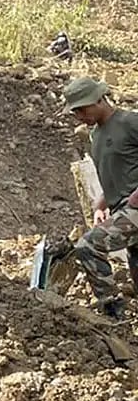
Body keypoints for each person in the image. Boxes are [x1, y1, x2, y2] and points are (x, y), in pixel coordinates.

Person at [63, 77, 138, 319]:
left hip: (134, 208)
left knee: (88, 245)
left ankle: (113, 312)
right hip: (122, 208)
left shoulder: (129, 122)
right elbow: (118, 172)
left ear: (98, 100)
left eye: (82, 109)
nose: (79, 117)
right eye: (75, 112)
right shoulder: (95, 136)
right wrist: (101, 203)